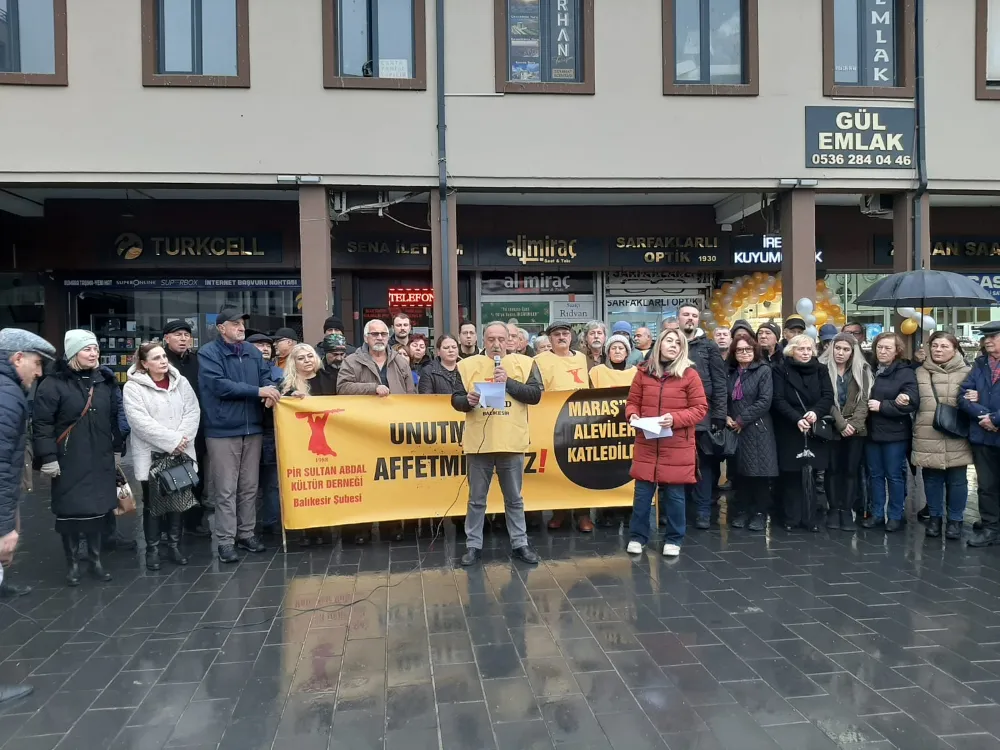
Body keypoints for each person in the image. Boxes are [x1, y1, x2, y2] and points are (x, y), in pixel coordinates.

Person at [34, 330, 124, 585]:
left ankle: (95, 560)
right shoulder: (53, 383)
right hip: (69, 458)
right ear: (73, 353)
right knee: (70, 512)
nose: (94, 353)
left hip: (100, 457)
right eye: (87, 349)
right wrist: (48, 457)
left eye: (96, 348)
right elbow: (42, 424)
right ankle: (72, 563)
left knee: (97, 510)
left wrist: (117, 449)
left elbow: (112, 419)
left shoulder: (104, 381)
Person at [452, 322, 541, 567]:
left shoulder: (525, 364)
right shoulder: (466, 365)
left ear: (510, 340)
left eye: (502, 339)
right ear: (483, 340)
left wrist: (508, 382)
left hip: (511, 442)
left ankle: (520, 543)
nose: (497, 344)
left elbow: (535, 395)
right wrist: (467, 401)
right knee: (476, 499)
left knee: (514, 498)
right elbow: (455, 399)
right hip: (478, 444)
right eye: (491, 339)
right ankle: (473, 545)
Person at [199, 307, 279, 563]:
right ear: (221, 328)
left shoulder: (253, 352)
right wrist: (259, 392)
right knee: (225, 489)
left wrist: (271, 393)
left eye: (242, 323)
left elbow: (268, 378)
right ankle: (224, 540)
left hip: (252, 428)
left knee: (249, 487)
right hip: (223, 430)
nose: (241, 327)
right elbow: (219, 385)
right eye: (235, 324)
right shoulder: (208, 353)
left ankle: (246, 534)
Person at [0, 329, 52, 703]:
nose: (38, 373)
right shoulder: (6, 395)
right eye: (36, 363)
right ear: (17, 358)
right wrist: (4, 528)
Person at [624, 329, 708, 557]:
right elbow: (632, 402)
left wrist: (676, 419)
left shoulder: (690, 375)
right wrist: (632, 415)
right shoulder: (643, 373)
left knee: (675, 496)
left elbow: (700, 409)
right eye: (669, 340)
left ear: (683, 349)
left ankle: (674, 538)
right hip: (647, 444)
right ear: (659, 343)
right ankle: (638, 537)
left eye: (678, 343)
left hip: (677, 444)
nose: (673, 345)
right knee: (642, 495)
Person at [123, 343, 200, 570]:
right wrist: (172, 441)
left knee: (178, 500)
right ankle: (152, 549)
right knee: (152, 504)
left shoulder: (181, 382)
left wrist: (181, 440)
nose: (163, 361)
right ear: (144, 364)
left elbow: (192, 411)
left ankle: (174, 546)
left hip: (179, 453)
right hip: (152, 456)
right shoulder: (133, 388)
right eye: (156, 358)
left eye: (164, 356)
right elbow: (140, 423)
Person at [338, 319, 416, 544]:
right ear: (366, 337)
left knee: (391, 480)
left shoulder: (400, 362)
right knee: (366, 479)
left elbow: (411, 393)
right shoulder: (352, 361)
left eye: (383, 334)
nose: (380, 338)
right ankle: (362, 528)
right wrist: (372, 389)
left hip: (393, 431)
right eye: (375, 334)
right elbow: (342, 388)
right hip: (363, 431)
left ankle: (391, 525)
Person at [771, 334, 834, 532]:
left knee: (813, 474)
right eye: (801, 349)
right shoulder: (781, 370)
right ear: (792, 351)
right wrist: (797, 418)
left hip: (813, 427)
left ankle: (810, 518)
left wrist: (815, 413)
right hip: (790, 427)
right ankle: (791, 518)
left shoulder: (821, 370)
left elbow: (828, 396)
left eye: (809, 349)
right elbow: (778, 399)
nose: (805, 353)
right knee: (791, 475)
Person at [912, 332, 971, 540]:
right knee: (932, 479)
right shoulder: (920, 372)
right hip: (928, 431)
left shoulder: (967, 372)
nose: (938, 350)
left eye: (944, 346)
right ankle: (935, 518)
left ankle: (955, 521)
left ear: (955, 350)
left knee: (957, 480)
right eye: (934, 346)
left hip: (956, 433)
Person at [535, 321, 593, 532]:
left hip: (581, 422)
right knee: (557, 469)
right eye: (557, 334)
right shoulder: (539, 361)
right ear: (550, 339)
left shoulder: (582, 359)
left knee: (582, 470)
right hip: (554, 422)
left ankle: (583, 514)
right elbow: (537, 389)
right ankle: (559, 512)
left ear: (571, 337)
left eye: (565, 334)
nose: (561, 337)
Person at [281, 343, 338, 546]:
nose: (307, 361)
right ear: (293, 362)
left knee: (326, 486)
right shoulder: (286, 386)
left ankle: (326, 526)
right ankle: (307, 530)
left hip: (328, 440)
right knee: (306, 488)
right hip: (299, 444)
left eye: (310, 356)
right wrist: (290, 399)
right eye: (301, 358)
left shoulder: (329, 380)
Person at [677, 304, 727, 530]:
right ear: (677, 318)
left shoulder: (709, 347)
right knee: (677, 464)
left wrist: (719, 414)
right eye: (686, 314)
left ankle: (703, 512)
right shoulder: (669, 344)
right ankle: (678, 512)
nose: (690, 319)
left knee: (703, 466)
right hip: (674, 416)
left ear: (699, 320)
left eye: (694, 316)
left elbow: (719, 383)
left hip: (703, 417)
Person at [863, 332, 919, 531]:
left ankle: (895, 515)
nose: (883, 351)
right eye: (879, 347)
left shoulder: (905, 372)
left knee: (894, 475)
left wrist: (883, 406)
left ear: (897, 351)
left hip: (895, 433)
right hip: (870, 432)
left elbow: (911, 401)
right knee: (875, 475)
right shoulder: (869, 369)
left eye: (888, 348)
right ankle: (877, 513)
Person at [725, 333, 777, 532]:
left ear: (754, 350)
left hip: (757, 429)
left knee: (759, 474)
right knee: (741, 473)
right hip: (735, 430)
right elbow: (725, 398)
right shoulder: (730, 372)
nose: (744, 353)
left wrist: (741, 420)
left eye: (747, 349)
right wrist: (726, 416)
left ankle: (759, 513)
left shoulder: (763, 370)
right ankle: (743, 510)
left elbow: (764, 401)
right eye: (739, 349)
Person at [162, 319, 209, 537]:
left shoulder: (197, 361)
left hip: (196, 428)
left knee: (196, 476)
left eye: (186, 335)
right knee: (169, 478)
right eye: (177, 334)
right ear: (166, 338)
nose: (183, 339)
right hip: (168, 429)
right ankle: (170, 525)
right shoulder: (159, 361)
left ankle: (193, 521)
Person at [821, 333, 871, 531]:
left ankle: (846, 510)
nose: (840, 353)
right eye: (837, 348)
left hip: (856, 430)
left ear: (852, 352)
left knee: (851, 471)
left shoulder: (862, 369)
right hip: (832, 427)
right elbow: (826, 399)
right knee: (832, 470)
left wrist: (854, 425)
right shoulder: (823, 369)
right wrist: (841, 424)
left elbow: (864, 400)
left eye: (846, 349)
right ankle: (833, 509)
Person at [590, 333, 639, 529]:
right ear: (607, 351)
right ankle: (606, 513)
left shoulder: (637, 372)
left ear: (627, 352)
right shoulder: (596, 372)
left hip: (629, 430)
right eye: (613, 348)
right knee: (605, 471)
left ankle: (628, 512)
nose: (617, 351)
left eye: (621, 348)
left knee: (627, 471)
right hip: (604, 428)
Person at [961, 321, 1000, 547]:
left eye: (993, 337)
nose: (988, 341)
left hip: (992, 426)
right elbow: (963, 396)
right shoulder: (980, 364)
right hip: (983, 435)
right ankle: (991, 527)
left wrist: (995, 419)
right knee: (986, 485)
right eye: (986, 337)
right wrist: (985, 417)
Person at [247, 333, 284, 538]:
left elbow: (284, 387)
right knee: (246, 483)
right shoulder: (242, 371)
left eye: (268, 345)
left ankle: (269, 523)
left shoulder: (277, 372)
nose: (265, 348)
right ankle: (245, 526)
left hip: (271, 431)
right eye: (259, 345)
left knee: (271, 482)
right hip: (245, 430)